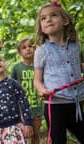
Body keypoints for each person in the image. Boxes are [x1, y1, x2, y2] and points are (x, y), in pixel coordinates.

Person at [34, 2, 84, 144]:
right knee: (58, 141)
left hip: (77, 102)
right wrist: (43, 90)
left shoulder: (75, 46)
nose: (48, 20)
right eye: (43, 18)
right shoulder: (41, 51)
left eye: (53, 15)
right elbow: (37, 80)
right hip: (55, 104)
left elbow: (76, 66)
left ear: (65, 21)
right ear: (42, 28)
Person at [11, 38, 43, 144]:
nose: (28, 49)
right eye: (24, 48)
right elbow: (12, 90)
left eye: (30, 46)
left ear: (35, 48)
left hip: (37, 107)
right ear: (19, 52)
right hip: (21, 109)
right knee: (21, 136)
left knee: (36, 135)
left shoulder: (40, 67)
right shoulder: (16, 68)